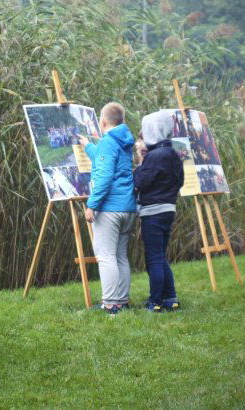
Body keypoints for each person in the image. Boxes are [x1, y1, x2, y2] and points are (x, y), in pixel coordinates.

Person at [78, 102, 136, 314]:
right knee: (120, 255)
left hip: (110, 208)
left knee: (106, 256)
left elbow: (103, 175)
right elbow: (106, 161)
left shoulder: (107, 142)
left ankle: (111, 304)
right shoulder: (123, 140)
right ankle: (122, 300)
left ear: (102, 122)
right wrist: (88, 146)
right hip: (127, 207)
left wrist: (92, 204)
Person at [133, 111, 184, 312]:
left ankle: (155, 302)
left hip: (153, 212)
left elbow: (138, 182)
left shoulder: (154, 156)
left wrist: (139, 162)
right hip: (168, 209)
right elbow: (180, 180)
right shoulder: (172, 153)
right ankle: (171, 298)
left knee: (153, 258)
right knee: (161, 256)